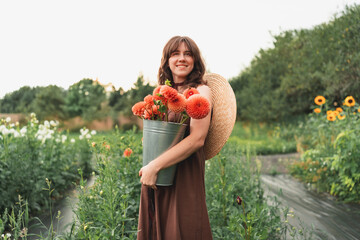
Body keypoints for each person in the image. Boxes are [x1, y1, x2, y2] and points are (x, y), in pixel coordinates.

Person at [137, 36, 213, 240]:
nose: (182, 58)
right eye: (175, 54)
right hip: (158, 178)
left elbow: (197, 138)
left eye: (188, 54)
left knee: (181, 230)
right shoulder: (162, 94)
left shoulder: (200, 91)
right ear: (167, 61)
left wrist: (154, 166)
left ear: (195, 61)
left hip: (184, 175)